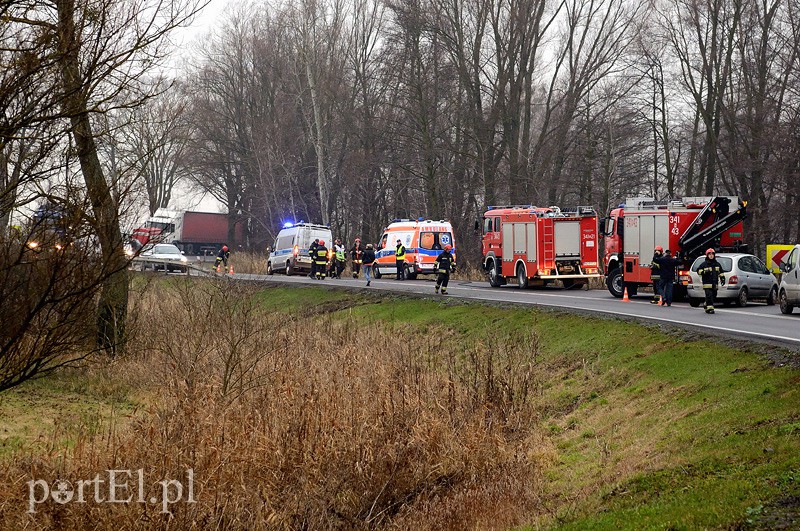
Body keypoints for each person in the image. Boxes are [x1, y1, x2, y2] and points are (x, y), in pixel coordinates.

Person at [697, 248, 724, 314]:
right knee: (709, 295)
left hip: (715, 283)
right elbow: (698, 271)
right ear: (707, 255)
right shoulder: (704, 264)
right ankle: (710, 309)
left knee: (714, 296)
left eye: (712, 254)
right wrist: (705, 271)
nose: (711, 255)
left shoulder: (717, 264)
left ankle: (706, 303)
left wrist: (722, 278)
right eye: (709, 254)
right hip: (707, 283)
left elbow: (721, 272)